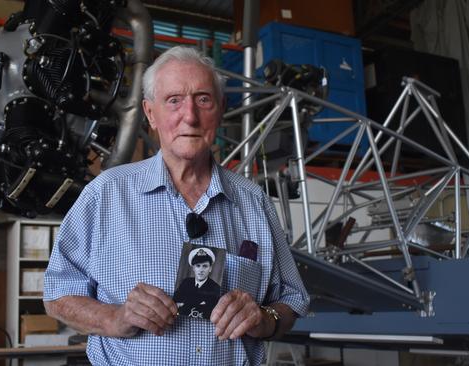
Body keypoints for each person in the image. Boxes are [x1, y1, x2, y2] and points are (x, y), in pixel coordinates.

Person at [43, 45, 310, 365]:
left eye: (203, 99)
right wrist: (115, 318)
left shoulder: (254, 202)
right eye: (174, 100)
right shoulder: (106, 194)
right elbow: (57, 297)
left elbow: (291, 300)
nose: (190, 116)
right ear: (151, 114)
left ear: (221, 108)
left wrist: (263, 318)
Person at [173, 247, 221, 319]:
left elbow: (209, 311)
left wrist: (184, 303)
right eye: (198, 266)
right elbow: (175, 302)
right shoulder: (186, 282)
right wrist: (198, 303)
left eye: (205, 266)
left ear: (210, 268)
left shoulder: (215, 288)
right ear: (193, 268)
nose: (201, 270)